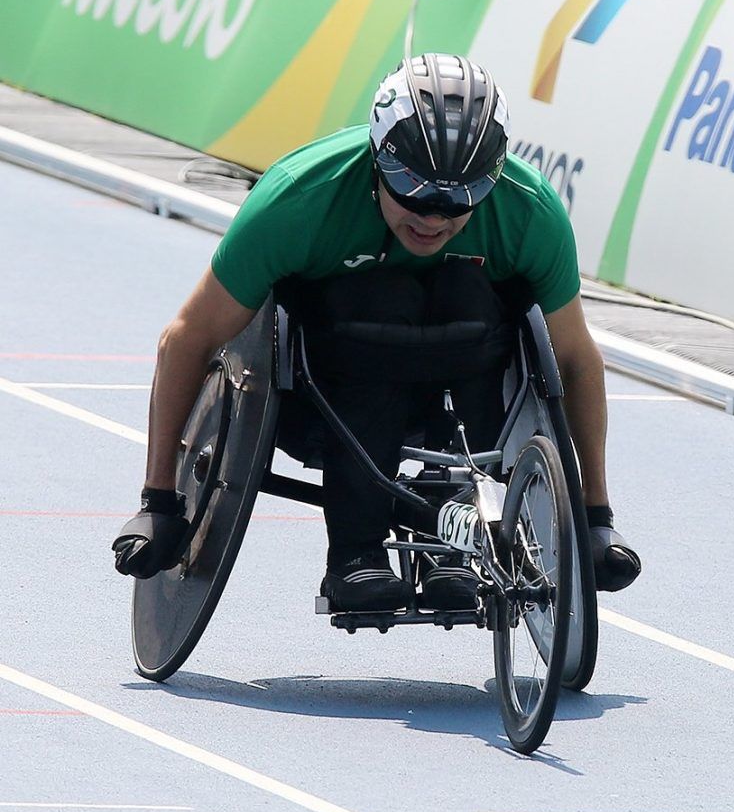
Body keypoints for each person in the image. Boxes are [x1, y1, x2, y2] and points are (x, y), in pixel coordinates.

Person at [112, 53, 640, 611]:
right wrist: (158, 501)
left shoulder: (528, 210)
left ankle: (453, 531)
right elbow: (187, 339)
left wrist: (596, 515)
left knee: (469, 292)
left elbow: (575, 358)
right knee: (379, 297)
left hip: (469, 384)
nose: (433, 215)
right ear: (377, 155)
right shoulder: (298, 199)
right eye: (411, 187)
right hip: (326, 394)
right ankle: (356, 552)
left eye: (459, 197)